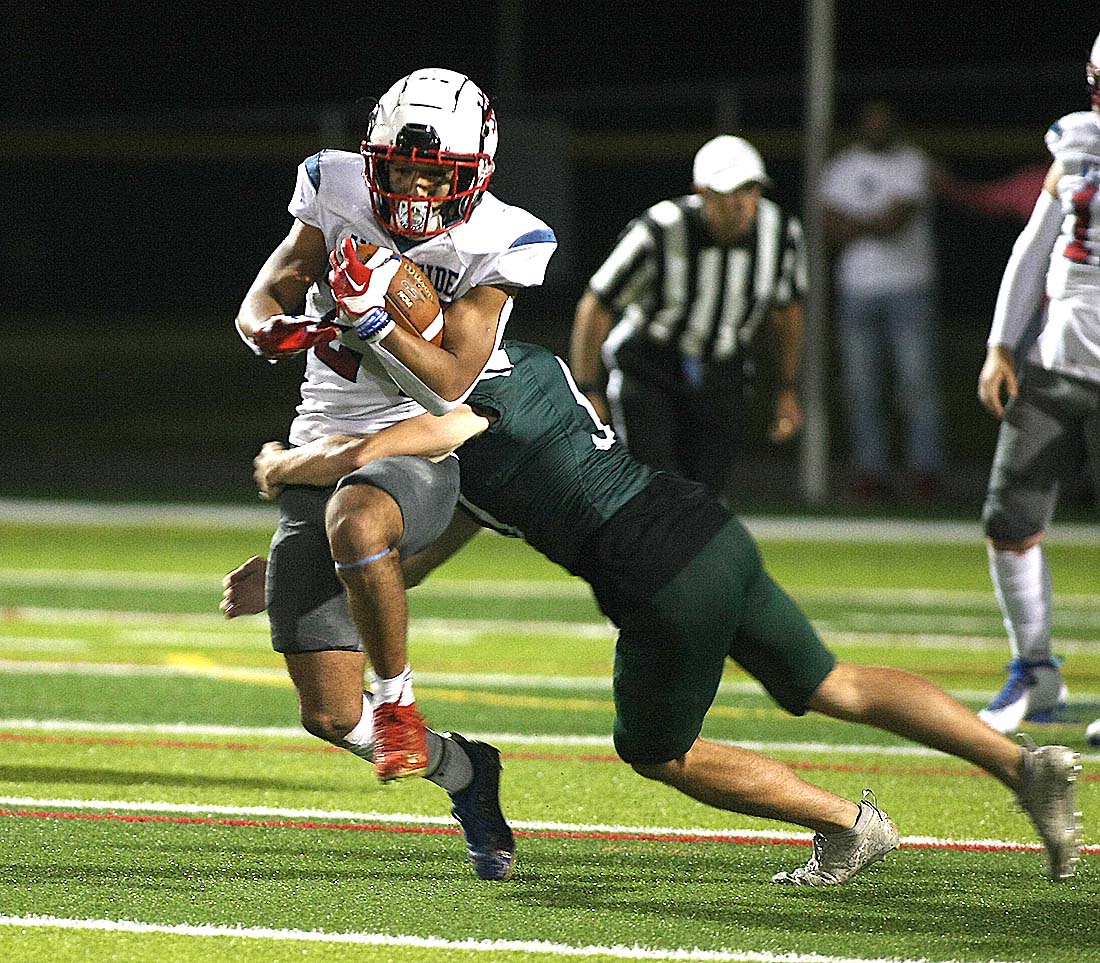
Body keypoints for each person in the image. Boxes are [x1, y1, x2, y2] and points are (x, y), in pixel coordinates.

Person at [227, 339, 1082, 884]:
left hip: (656, 577)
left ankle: (849, 825)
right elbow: (407, 560)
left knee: (657, 751)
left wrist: (295, 462)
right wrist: (304, 574)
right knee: (832, 681)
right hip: (708, 531)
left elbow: (400, 442)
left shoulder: (469, 396)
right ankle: (1017, 763)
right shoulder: (532, 368)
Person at [231, 66, 556, 880]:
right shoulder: (334, 184)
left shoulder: (505, 237)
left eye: (431, 173)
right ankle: (467, 770)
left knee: (359, 519)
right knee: (331, 714)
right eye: (399, 167)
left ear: (472, 174)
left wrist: (378, 319)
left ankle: (400, 694)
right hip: (325, 437)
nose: (411, 185)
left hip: (418, 444)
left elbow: (450, 379)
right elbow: (268, 290)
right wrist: (269, 328)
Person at [974, 33, 1100, 738]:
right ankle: (1035, 667)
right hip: (1056, 363)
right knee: (1009, 518)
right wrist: (1001, 344)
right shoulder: (1079, 142)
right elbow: (1033, 246)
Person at [568, 134, 805, 502]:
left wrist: (787, 387)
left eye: (751, 191)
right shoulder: (659, 231)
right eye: (730, 192)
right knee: (656, 488)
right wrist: (588, 388)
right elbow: (597, 304)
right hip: (651, 366)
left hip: (723, 368)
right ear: (702, 192)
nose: (742, 205)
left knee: (708, 495)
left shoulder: (781, 234)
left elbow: (786, 312)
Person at [819, 100, 946, 503]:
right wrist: (874, 220)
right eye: (870, 121)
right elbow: (828, 226)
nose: (877, 127)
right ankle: (870, 473)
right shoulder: (841, 166)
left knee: (916, 382)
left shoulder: (913, 162)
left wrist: (855, 221)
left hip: (910, 285)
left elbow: (897, 222)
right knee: (860, 386)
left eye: (883, 121)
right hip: (857, 288)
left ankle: (924, 472)